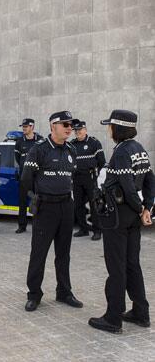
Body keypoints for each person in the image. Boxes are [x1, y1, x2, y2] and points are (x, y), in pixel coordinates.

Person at [89, 110, 154, 334]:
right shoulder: (139, 149)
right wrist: (146, 209)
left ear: (117, 128)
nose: (107, 129)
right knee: (132, 264)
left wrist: (140, 209)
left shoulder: (121, 152)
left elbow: (126, 185)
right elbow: (150, 181)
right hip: (133, 217)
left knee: (116, 268)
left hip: (117, 217)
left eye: (109, 125)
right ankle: (140, 312)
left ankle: (113, 318)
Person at [21, 111, 83, 312]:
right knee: (39, 253)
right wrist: (36, 199)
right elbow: (26, 179)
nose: (68, 127)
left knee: (64, 253)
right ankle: (34, 294)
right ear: (52, 126)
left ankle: (64, 292)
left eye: (70, 124)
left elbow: (72, 177)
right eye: (64, 124)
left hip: (66, 206)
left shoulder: (71, 150)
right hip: (45, 208)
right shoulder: (39, 150)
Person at [71, 120, 106, 240]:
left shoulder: (93, 142)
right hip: (76, 178)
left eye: (80, 130)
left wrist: (95, 175)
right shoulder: (72, 144)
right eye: (75, 130)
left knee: (94, 204)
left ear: (85, 130)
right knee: (78, 205)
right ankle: (83, 229)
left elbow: (101, 161)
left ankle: (97, 230)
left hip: (90, 178)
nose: (77, 132)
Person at [14, 118, 43, 234]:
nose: (24, 128)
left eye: (26, 127)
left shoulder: (40, 140)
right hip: (24, 177)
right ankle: (22, 226)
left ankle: (39, 224)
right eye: (23, 127)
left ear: (32, 127)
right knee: (22, 201)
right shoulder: (19, 141)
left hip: (37, 177)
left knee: (38, 200)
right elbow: (17, 158)